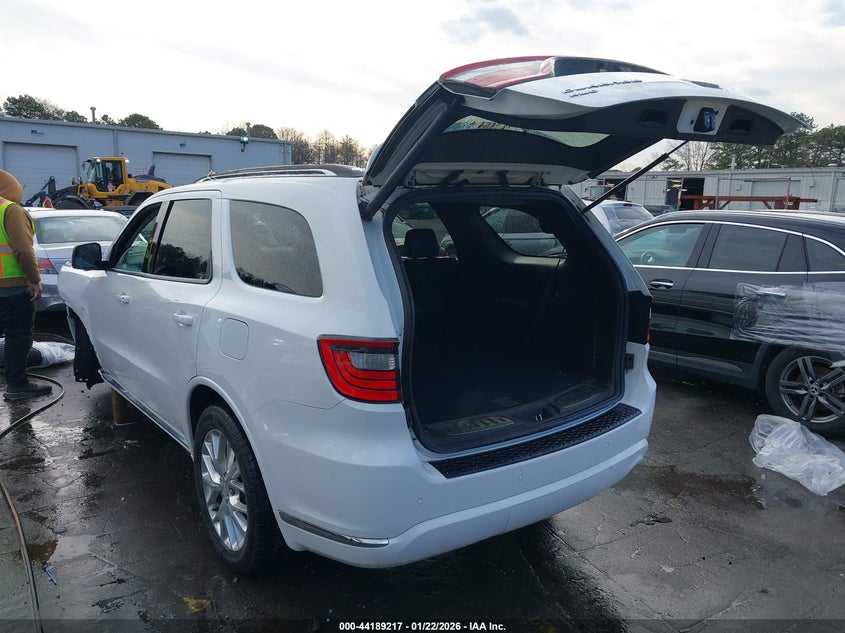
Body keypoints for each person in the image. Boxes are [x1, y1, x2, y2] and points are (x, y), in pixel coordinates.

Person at [0, 170, 52, 400]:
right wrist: (34, 279)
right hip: (10, 287)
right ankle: (16, 385)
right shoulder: (10, 210)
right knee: (17, 336)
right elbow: (22, 249)